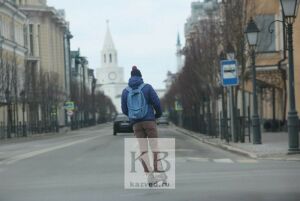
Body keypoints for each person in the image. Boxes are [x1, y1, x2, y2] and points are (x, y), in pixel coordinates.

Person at [121, 66, 166, 185]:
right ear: (140, 76)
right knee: (154, 147)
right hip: (149, 121)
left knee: (143, 150)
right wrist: (157, 114)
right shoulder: (147, 87)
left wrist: (133, 117)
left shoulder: (125, 91)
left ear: (131, 77)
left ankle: (149, 176)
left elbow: (124, 109)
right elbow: (156, 102)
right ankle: (160, 172)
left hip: (136, 124)